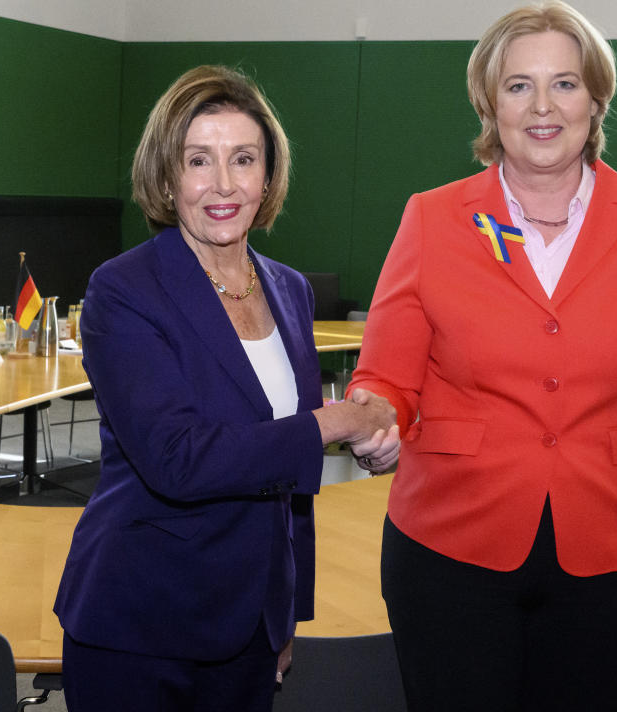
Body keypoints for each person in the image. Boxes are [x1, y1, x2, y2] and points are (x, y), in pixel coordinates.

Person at [347, 0, 617, 712]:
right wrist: (376, 423)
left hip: (612, 554)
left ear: (595, 99)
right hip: (450, 549)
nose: (542, 106)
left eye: (565, 83)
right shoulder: (433, 217)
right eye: (519, 85)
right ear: (490, 104)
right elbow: (387, 376)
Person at [54, 64, 399, 712]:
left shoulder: (290, 290)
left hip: (250, 629)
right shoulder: (124, 290)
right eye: (198, 161)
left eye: (243, 159)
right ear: (167, 176)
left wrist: (287, 615)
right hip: (139, 625)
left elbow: (290, 485)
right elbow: (179, 459)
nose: (222, 185)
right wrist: (338, 422)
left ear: (268, 176)